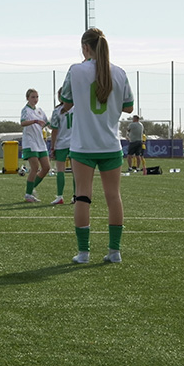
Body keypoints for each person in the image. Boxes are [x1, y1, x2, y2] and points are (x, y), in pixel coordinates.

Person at [61, 28, 134, 264]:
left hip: (83, 146)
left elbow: (66, 100)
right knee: (114, 197)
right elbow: (129, 107)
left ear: (85, 47)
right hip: (110, 144)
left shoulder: (76, 70)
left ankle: (83, 253)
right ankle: (115, 252)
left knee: (82, 195)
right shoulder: (120, 72)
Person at [21, 89, 50, 202]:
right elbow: (22, 123)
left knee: (46, 168)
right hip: (30, 142)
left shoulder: (40, 111)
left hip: (40, 142)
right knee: (35, 168)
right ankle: (28, 195)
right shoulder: (26, 110)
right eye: (33, 97)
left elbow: (48, 124)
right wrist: (35, 121)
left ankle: (31, 188)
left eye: (37, 97)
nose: (35, 99)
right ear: (27, 98)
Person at [49, 89, 75, 205]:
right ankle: (76, 196)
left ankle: (60, 196)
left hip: (61, 143)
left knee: (60, 171)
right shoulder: (78, 108)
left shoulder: (57, 111)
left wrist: (52, 147)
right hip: (76, 143)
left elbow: (54, 130)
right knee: (76, 172)